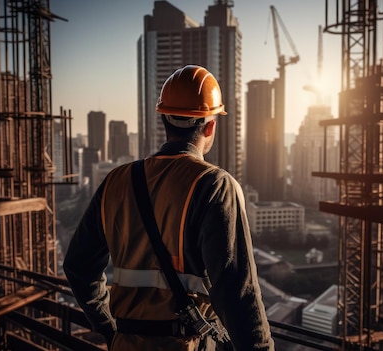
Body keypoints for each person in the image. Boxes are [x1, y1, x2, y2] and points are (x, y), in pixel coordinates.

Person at [63, 64, 275, 351]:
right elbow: (238, 295)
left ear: (164, 120)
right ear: (210, 125)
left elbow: (78, 266)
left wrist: (109, 328)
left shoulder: (115, 181)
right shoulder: (214, 186)